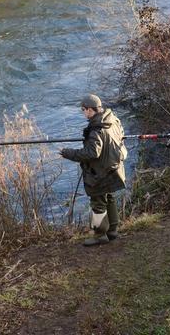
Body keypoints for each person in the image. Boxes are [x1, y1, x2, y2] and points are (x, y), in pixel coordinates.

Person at [60, 94, 127, 247]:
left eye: (83, 110)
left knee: (97, 203)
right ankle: (112, 231)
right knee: (108, 197)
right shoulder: (112, 120)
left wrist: (68, 153)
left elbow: (92, 153)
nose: (83, 113)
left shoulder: (97, 129)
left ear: (90, 110)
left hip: (100, 173)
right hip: (113, 169)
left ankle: (99, 235)